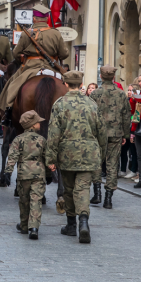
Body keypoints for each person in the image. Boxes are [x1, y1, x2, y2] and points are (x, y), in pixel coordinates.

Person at [45, 71, 106, 244]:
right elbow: (101, 131)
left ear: (65, 84)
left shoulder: (59, 104)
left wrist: (50, 158)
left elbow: (53, 134)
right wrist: (101, 154)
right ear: (80, 85)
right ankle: (84, 222)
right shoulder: (91, 103)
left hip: (67, 154)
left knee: (69, 190)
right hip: (89, 153)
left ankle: (71, 225)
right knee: (83, 189)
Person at [0, 3, 67, 112]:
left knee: (11, 87)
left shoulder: (26, 34)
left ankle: (7, 113)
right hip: (51, 68)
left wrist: (22, 57)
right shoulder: (55, 33)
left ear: (34, 19)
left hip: (29, 68)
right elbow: (64, 54)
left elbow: (15, 54)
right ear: (47, 18)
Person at [90, 66, 128, 209]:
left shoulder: (95, 93)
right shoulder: (121, 94)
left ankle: (97, 193)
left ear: (101, 76)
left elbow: (90, 114)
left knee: (97, 163)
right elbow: (126, 115)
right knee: (112, 165)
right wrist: (125, 133)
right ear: (113, 77)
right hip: (116, 133)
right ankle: (108, 198)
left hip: (98, 134)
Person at [6, 111, 48, 240]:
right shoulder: (42, 140)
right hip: (38, 174)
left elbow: (12, 156)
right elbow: (47, 158)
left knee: (24, 200)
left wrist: (8, 172)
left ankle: (24, 225)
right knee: (36, 200)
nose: (40, 124)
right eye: (38, 122)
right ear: (33, 125)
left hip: (23, 174)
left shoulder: (18, 139)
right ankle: (34, 227)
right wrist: (51, 172)